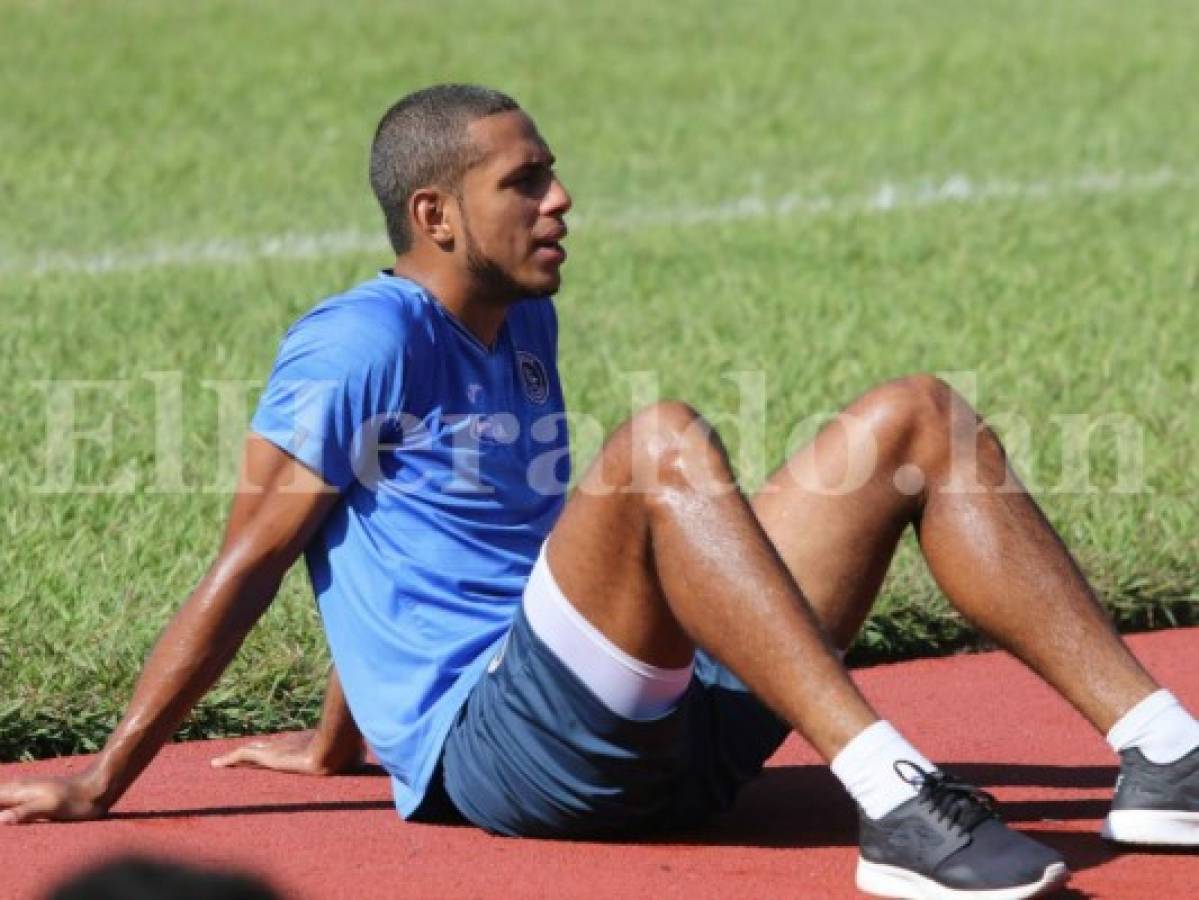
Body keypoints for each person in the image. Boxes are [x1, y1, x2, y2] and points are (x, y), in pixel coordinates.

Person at [2, 84, 1195, 900]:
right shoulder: (352, 343)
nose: (559, 200)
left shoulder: (523, 323)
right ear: (436, 215)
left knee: (913, 417)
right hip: (515, 758)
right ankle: (893, 798)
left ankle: (1163, 758)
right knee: (657, 444)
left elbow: (414, 547)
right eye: (524, 183)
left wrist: (334, 744)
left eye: (552, 176)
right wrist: (108, 778)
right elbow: (256, 560)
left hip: (647, 721)